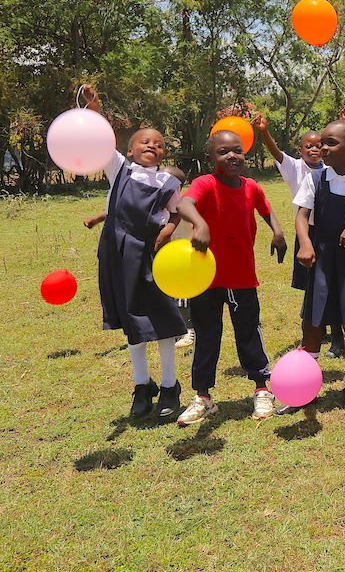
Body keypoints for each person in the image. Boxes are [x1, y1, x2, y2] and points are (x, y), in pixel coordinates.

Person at [81, 86, 187, 420]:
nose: (152, 147)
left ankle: (170, 385)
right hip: (118, 255)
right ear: (130, 149)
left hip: (151, 256)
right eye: (145, 142)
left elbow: (177, 212)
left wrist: (169, 229)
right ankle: (142, 385)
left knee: (162, 318)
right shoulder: (120, 170)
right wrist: (94, 109)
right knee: (132, 321)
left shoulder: (167, 183)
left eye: (159, 145)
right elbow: (102, 142)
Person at [175, 129, 288, 425]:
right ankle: (203, 396)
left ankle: (262, 388)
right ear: (211, 159)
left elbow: (266, 210)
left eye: (237, 150)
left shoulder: (251, 187)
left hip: (241, 277)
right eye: (223, 151)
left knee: (248, 332)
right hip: (207, 278)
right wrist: (199, 223)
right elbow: (183, 204)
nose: (232, 156)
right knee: (207, 335)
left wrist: (277, 232)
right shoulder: (205, 183)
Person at [278, 120, 345, 416]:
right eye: (322, 143)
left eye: (331, 143)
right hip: (323, 260)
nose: (323, 149)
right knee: (312, 322)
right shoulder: (316, 179)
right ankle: (306, 384)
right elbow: (302, 215)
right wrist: (305, 243)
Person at [253, 113, 344, 355]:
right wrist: (263, 131)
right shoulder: (294, 167)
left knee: (331, 283)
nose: (314, 149)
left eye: (318, 145)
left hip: (328, 231)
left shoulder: (330, 169)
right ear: (300, 150)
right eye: (308, 146)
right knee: (313, 286)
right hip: (306, 232)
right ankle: (317, 330)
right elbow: (276, 153)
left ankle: (337, 337)